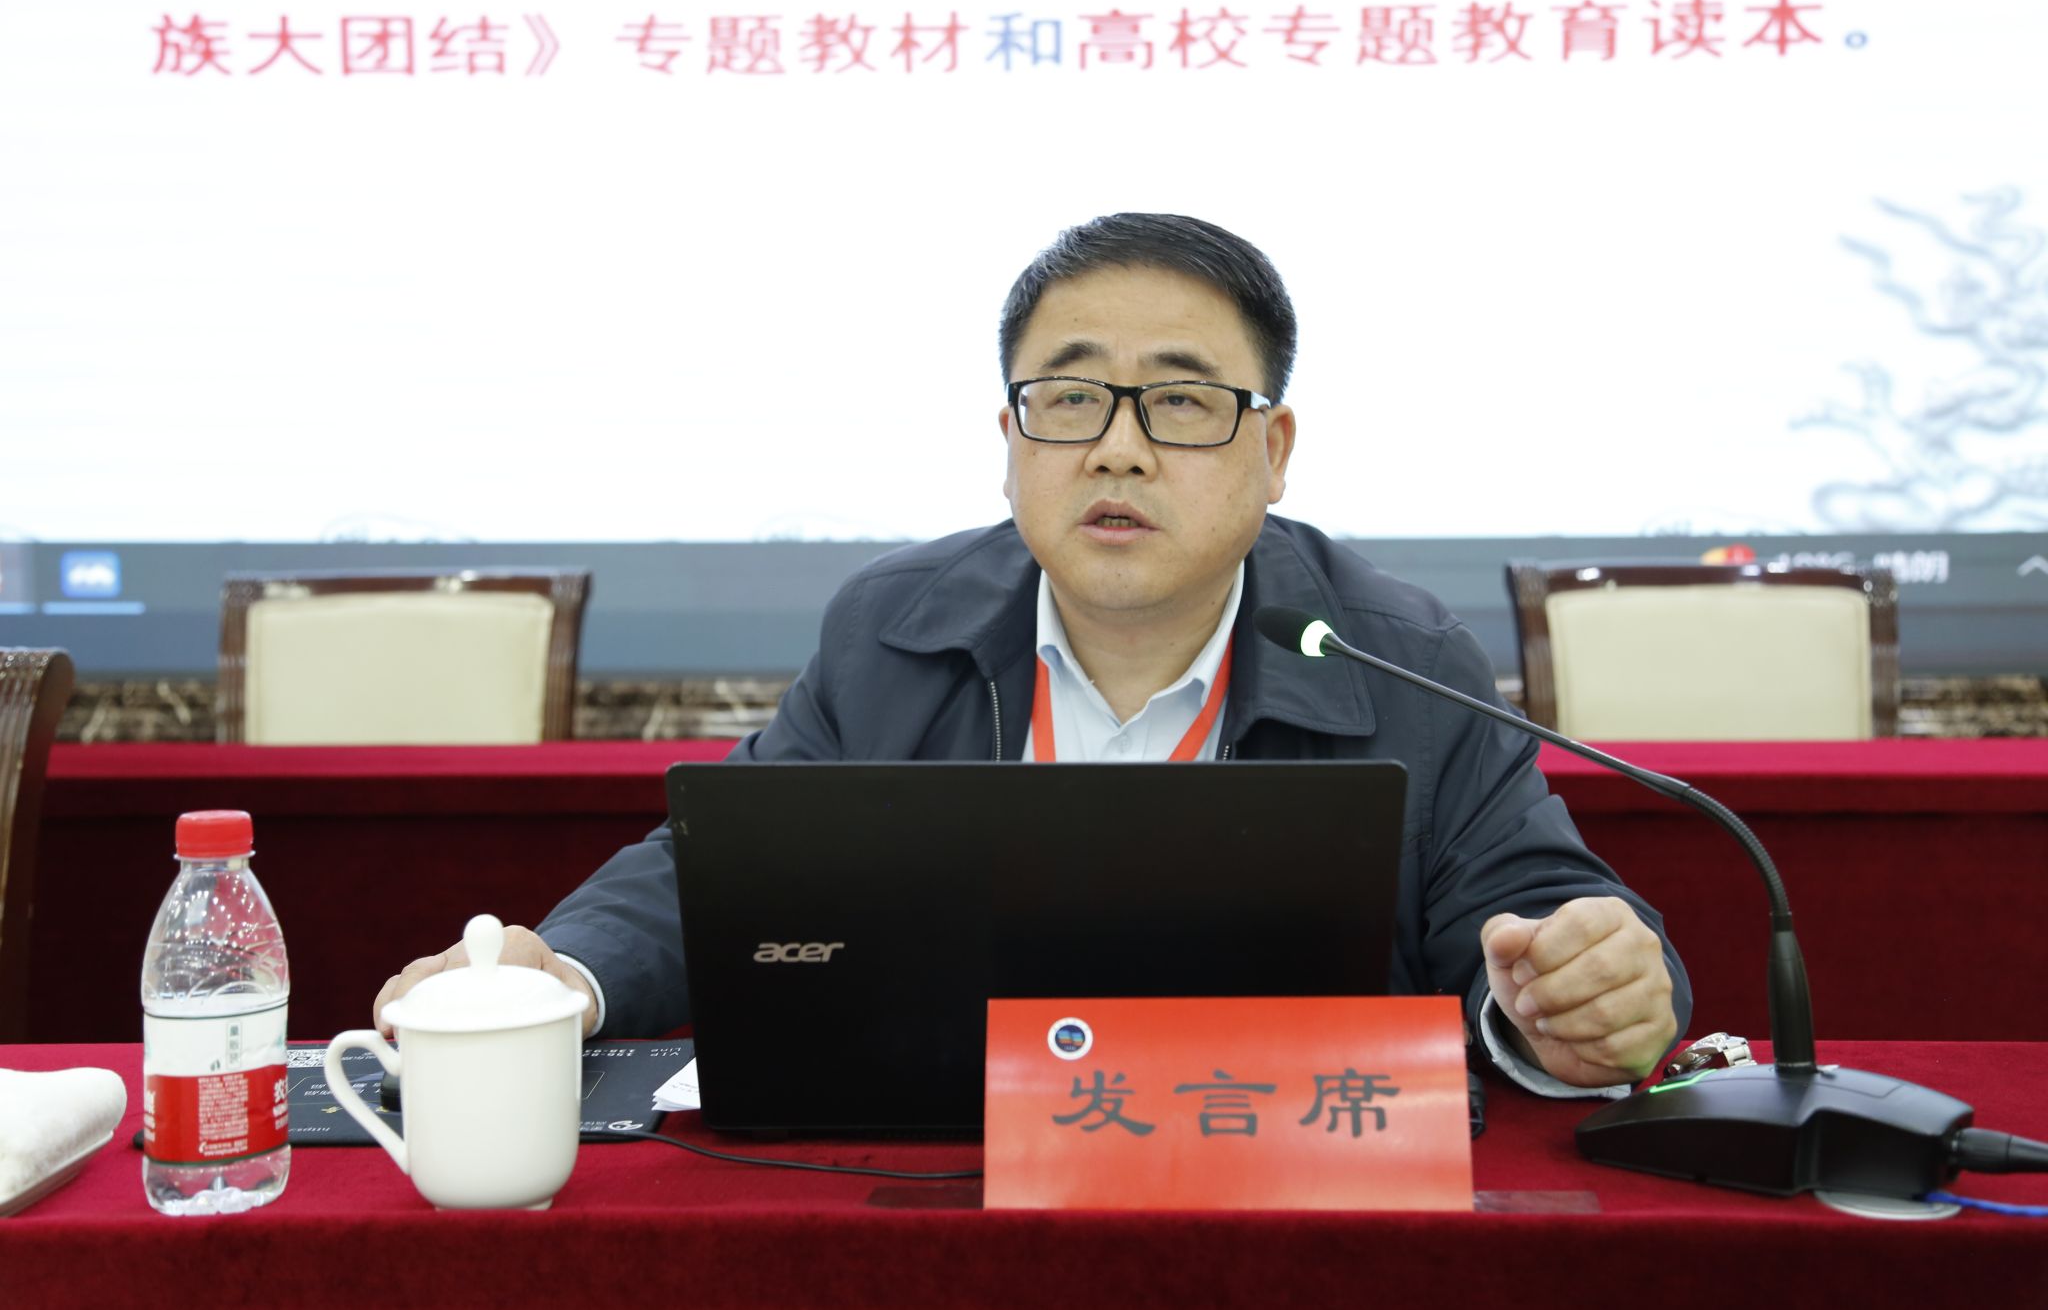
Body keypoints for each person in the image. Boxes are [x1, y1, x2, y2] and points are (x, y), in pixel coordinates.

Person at [375, 213, 1688, 1095]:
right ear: (1010, 438)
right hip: (954, 1168)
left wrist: (1582, 989)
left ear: (1272, 450)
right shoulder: (894, 627)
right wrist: (562, 974)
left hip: (1283, 1170)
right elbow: (722, 869)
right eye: (1068, 398)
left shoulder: (1396, 655)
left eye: (1181, 402)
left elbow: (1542, 910)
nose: (1117, 449)